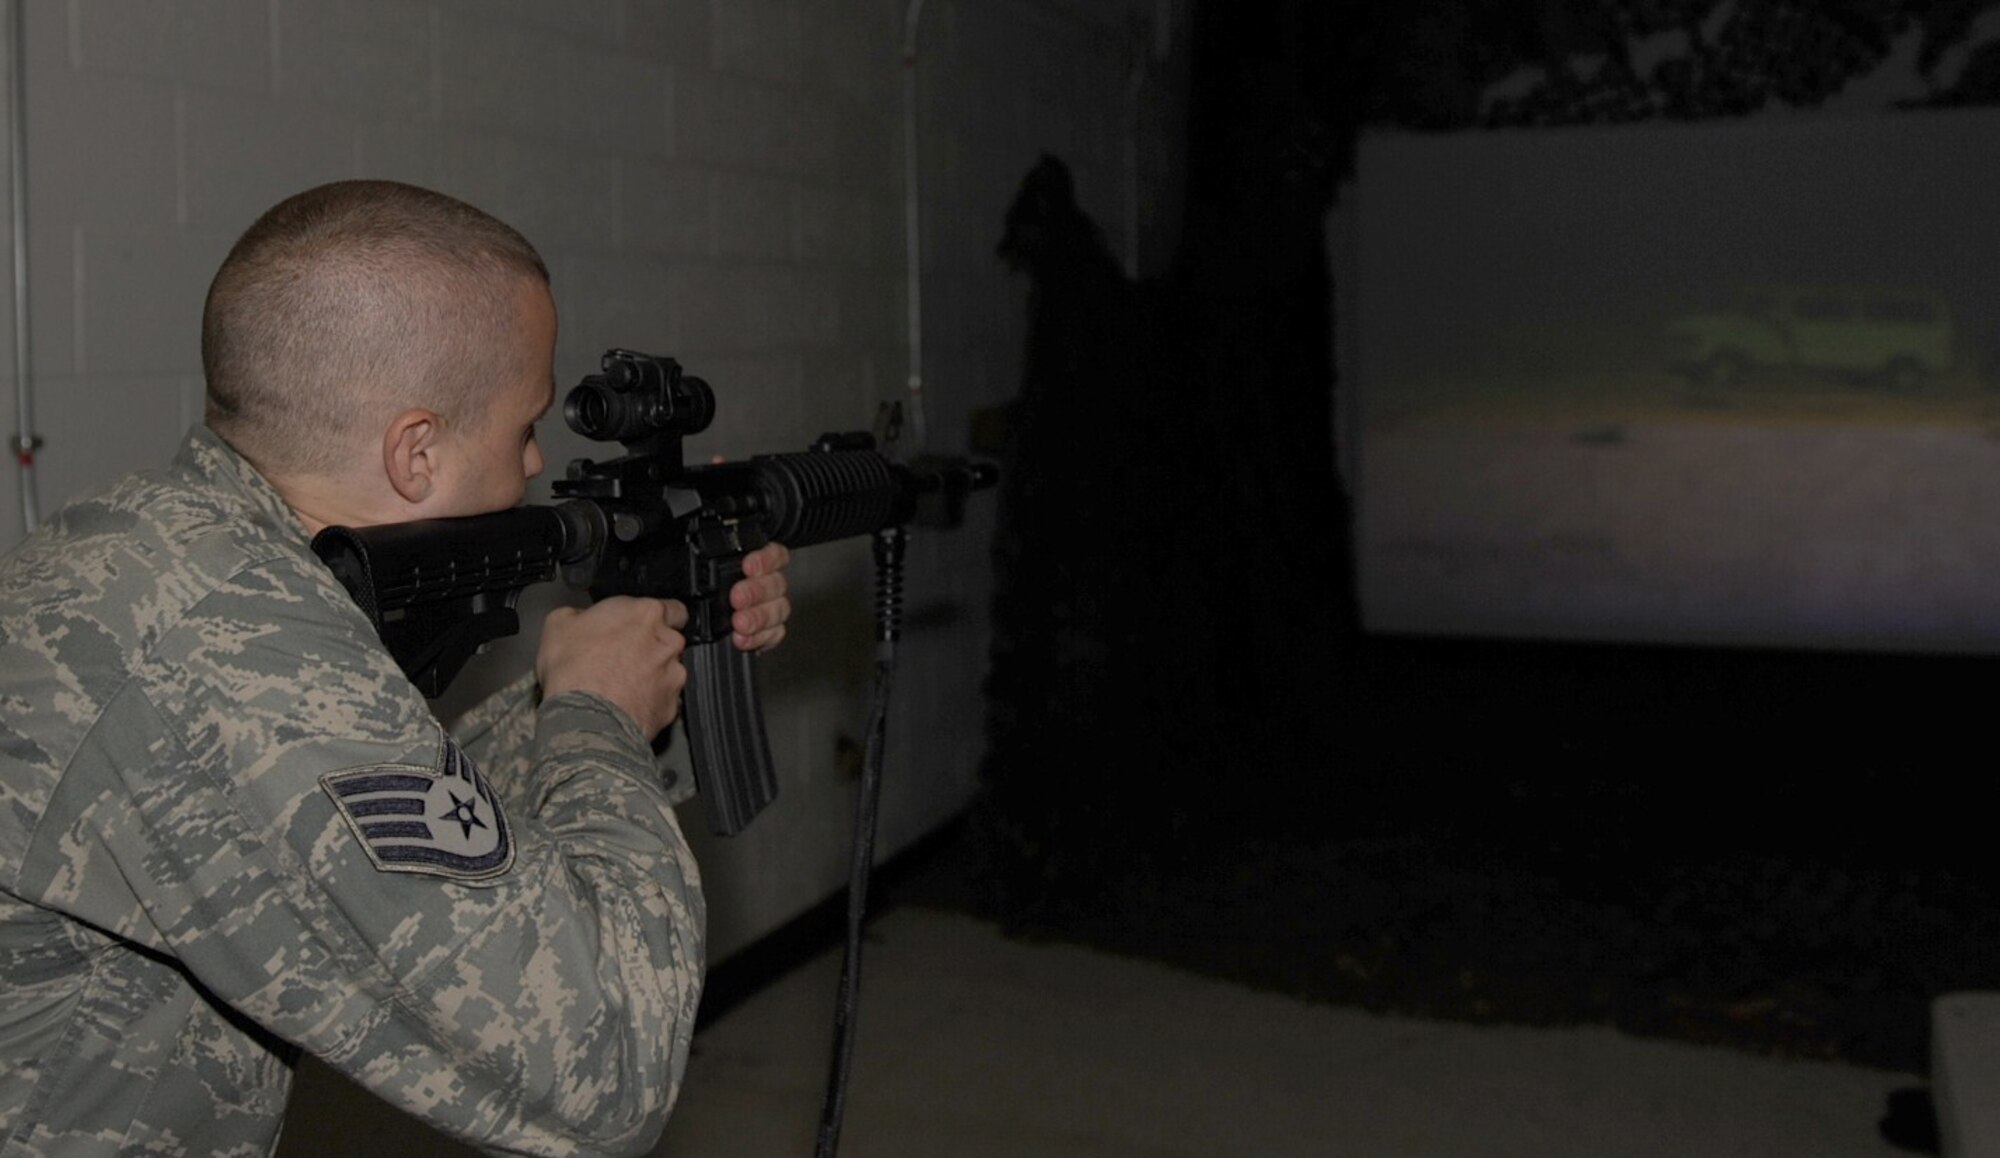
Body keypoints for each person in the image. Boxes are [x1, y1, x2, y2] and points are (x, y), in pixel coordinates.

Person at [0, 180, 791, 1156]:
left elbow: (386, 814)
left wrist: (640, 668)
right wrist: (596, 719)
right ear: (416, 452)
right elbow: (608, 1063)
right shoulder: (232, 648)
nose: (538, 463)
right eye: (524, 425)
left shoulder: (171, 549)